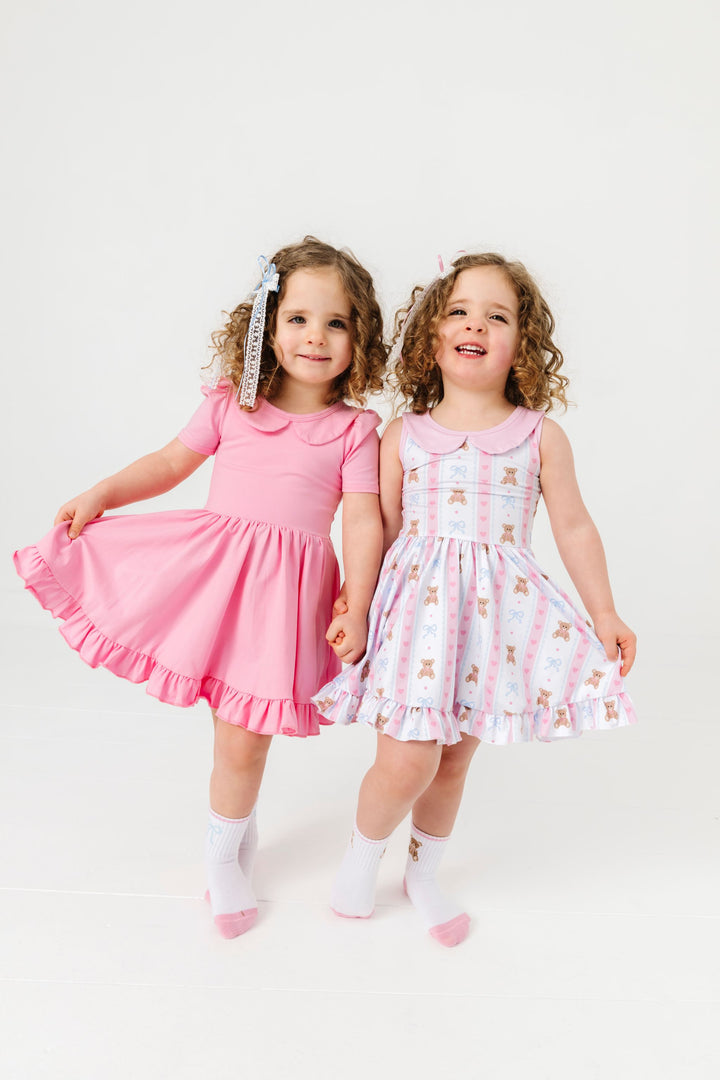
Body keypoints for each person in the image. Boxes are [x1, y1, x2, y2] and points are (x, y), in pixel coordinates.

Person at [14, 236, 386, 939]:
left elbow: (364, 522)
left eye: (335, 323)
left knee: (248, 741)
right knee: (236, 742)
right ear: (266, 326)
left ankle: (234, 838)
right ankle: (222, 855)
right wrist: (103, 492)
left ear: (358, 337)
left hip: (285, 601)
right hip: (214, 584)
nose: (315, 337)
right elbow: (167, 463)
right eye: (299, 318)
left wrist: (358, 600)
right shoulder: (230, 406)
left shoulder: (353, 431)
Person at [313, 252, 637, 947]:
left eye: (498, 316)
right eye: (459, 311)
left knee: (454, 758)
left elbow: (574, 526)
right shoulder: (403, 435)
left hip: (491, 621)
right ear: (432, 335)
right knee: (407, 758)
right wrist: (358, 605)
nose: (476, 325)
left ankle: (424, 874)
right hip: (415, 619)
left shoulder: (539, 436)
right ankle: (358, 859)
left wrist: (604, 610)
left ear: (522, 344)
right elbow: (376, 527)